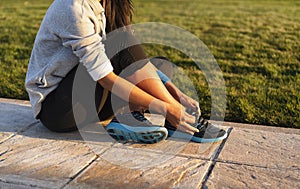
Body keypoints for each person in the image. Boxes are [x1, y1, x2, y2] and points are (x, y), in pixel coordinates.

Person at [25, 0, 227, 144]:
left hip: (88, 99)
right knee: (120, 42)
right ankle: (182, 119)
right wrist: (168, 108)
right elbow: (105, 78)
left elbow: (134, 62)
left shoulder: (110, 4)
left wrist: (177, 93)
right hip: (59, 110)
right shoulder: (73, 7)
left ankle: (129, 118)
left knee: (160, 66)